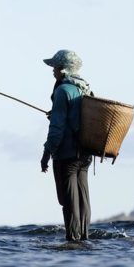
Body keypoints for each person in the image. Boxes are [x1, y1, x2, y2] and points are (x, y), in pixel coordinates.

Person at [40, 50, 93, 241]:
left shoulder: (62, 91)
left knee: (68, 201)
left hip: (67, 154)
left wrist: (46, 153)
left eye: (54, 67)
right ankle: (84, 239)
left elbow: (57, 129)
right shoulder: (84, 88)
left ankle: (73, 240)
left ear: (62, 70)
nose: (52, 71)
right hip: (86, 154)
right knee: (83, 198)